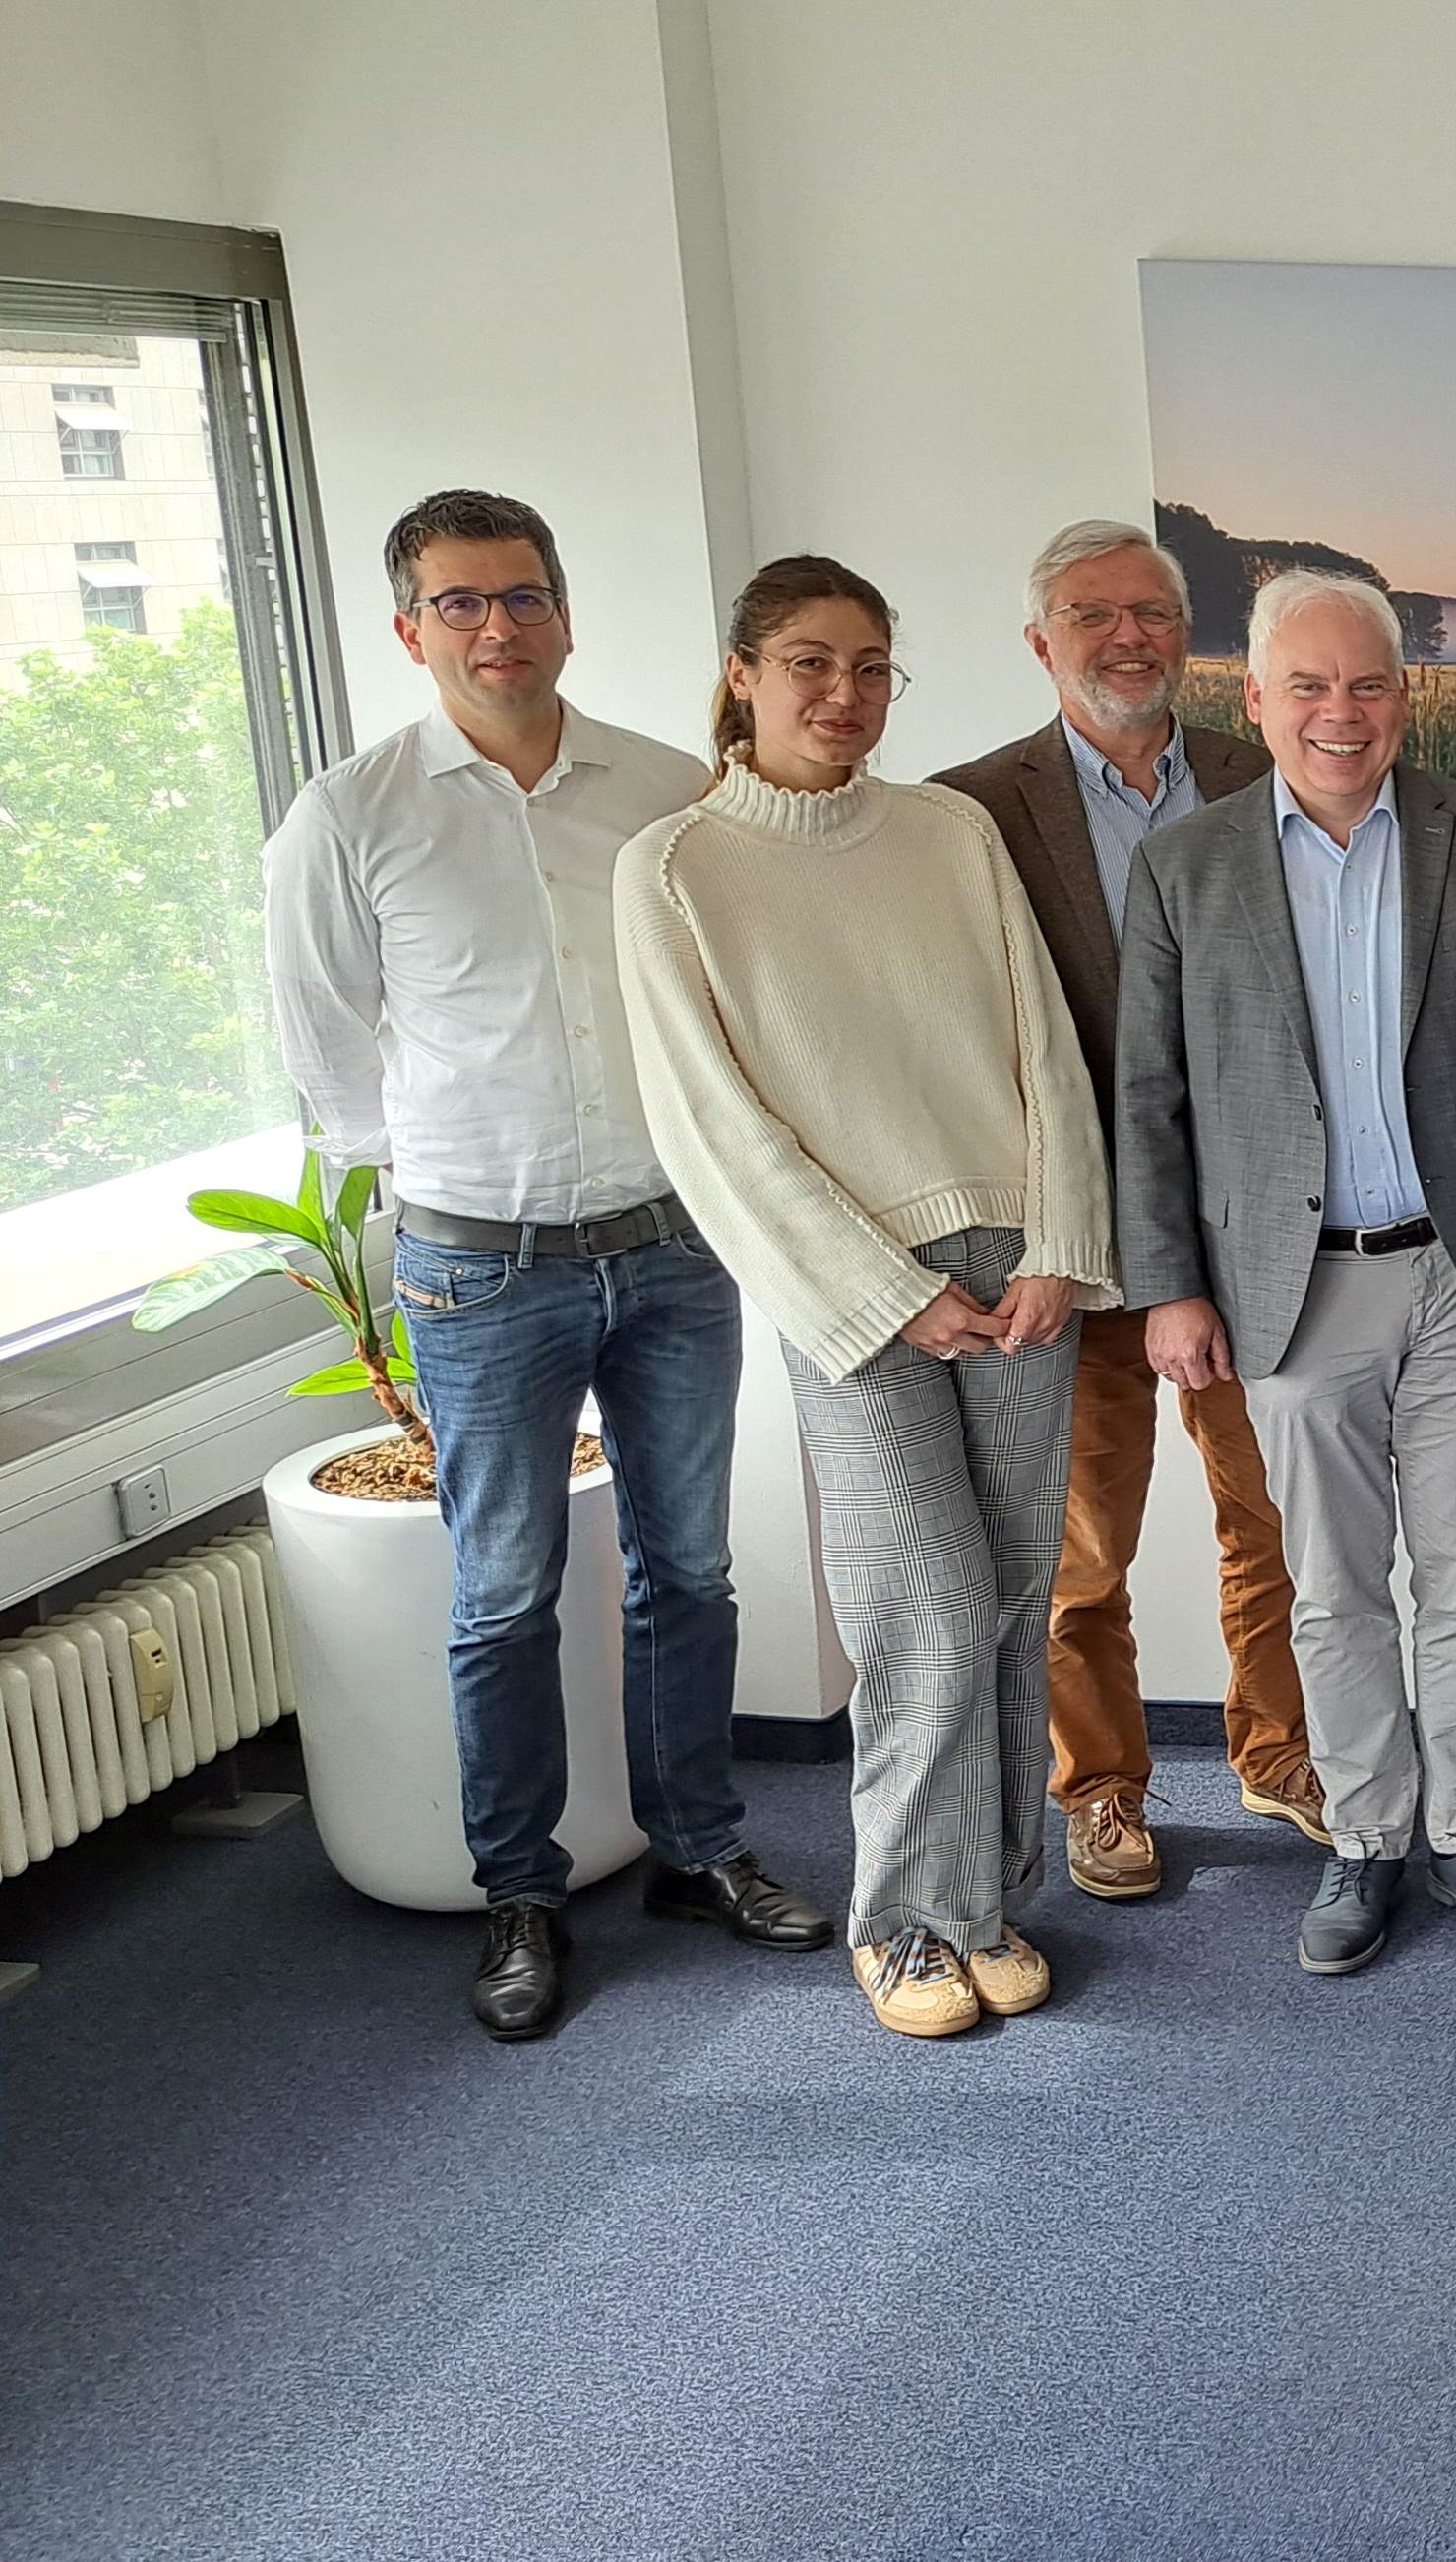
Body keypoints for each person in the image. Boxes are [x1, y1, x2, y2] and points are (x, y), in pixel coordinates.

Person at [261, 488, 827, 2041]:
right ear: (410, 631)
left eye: (521, 596)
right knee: (503, 1593)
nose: (496, 627)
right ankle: (518, 1891)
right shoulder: (351, 816)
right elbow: (328, 1064)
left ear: (565, 615)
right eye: (459, 603)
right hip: (479, 1271)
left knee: (688, 1570)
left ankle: (699, 1850)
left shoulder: (661, 789)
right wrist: (461, 1189)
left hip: (668, 1248)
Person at [616, 555, 1112, 2039]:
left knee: (1019, 1590)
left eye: (875, 668)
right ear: (742, 675)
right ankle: (899, 1922)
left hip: (1014, 1266)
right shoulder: (676, 869)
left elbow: (1042, 1054)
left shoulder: (950, 831)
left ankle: (986, 1901)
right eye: (813, 665)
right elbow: (713, 1127)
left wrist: (1058, 1249)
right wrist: (884, 1297)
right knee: (926, 1611)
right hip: (855, 1290)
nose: (847, 697)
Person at [1111, 570, 1456, 1978]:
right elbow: (1147, 1095)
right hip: (1289, 1288)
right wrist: (1169, 1286)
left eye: (1366, 684)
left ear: (1403, 698)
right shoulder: (1186, 867)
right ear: (1251, 701)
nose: (1339, 712)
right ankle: (1368, 1841)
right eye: (1305, 686)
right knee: (1330, 1589)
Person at [933, 521, 1311, 1898]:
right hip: (1073, 1248)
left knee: (1271, 1521)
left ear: (1189, 637)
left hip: (1248, 1237)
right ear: (1042, 643)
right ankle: (1101, 1790)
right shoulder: (969, 811)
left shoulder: (1262, 780)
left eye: (1152, 612)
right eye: (1093, 615)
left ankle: (1282, 1756)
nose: (1128, 636)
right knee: (1081, 1549)